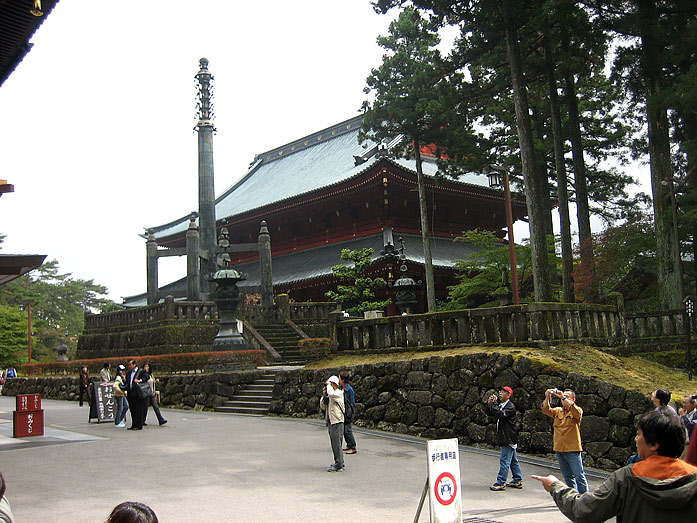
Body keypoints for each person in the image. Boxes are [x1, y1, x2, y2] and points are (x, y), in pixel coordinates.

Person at [532, 410, 697, 522]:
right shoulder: (693, 478)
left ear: (654, 444)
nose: (635, 439)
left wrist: (555, 486)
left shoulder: (627, 478)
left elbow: (584, 510)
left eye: (639, 435)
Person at [542, 388, 589, 493]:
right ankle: (573, 496)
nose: (564, 399)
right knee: (568, 477)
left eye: (567, 397)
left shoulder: (577, 411)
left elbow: (576, 412)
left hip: (572, 448)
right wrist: (547, 397)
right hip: (559, 448)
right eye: (563, 397)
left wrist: (562, 396)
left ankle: (585, 498)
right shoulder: (558, 411)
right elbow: (546, 410)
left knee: (579, 475)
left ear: (573, 400)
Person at [487, 385, 522, 491]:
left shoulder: (510, 407)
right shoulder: (502, 405)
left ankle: (501, 482)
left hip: (509, 437)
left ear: (509, 395)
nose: (500, 393)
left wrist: (494, 404)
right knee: (512, 460)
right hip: (506, 436)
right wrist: (490, 404)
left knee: (505, 460)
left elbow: (500, 414)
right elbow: (493, 413)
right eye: (500, 391)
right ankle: (517, 479)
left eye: (503, 392)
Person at [320, 375, 345, 472]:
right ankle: (340, 462)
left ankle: (338, 464)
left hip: (337, 421)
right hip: (331, 421)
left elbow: (331, 394)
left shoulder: (338, 393)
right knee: (335, 443)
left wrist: (329, 386)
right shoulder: (330, 394)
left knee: (337, 443)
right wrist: (324, 395)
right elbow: (322, 406)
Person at [125, 359, 150, 430]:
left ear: (134, 364)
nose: (129, 366)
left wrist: (140, 380)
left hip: (138, 393)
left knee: (138, 409)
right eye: (129, 365)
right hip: (130, 393)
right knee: (132, 410)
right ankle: (134, 424)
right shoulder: (129, 373)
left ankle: (139, 425)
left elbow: (147, 377)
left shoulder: (141, 371)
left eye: (130, 365)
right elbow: (127, 382)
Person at [339, 371, 356, 454]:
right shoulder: (340, 389)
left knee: (348, 430)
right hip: (343, 411)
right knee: (344, 430)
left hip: (348, 412)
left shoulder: (349, 390)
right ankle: (349, 445)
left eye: (340, 378)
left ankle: (353, 446)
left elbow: (352, 403)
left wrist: (350, 412)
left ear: (343, 380)